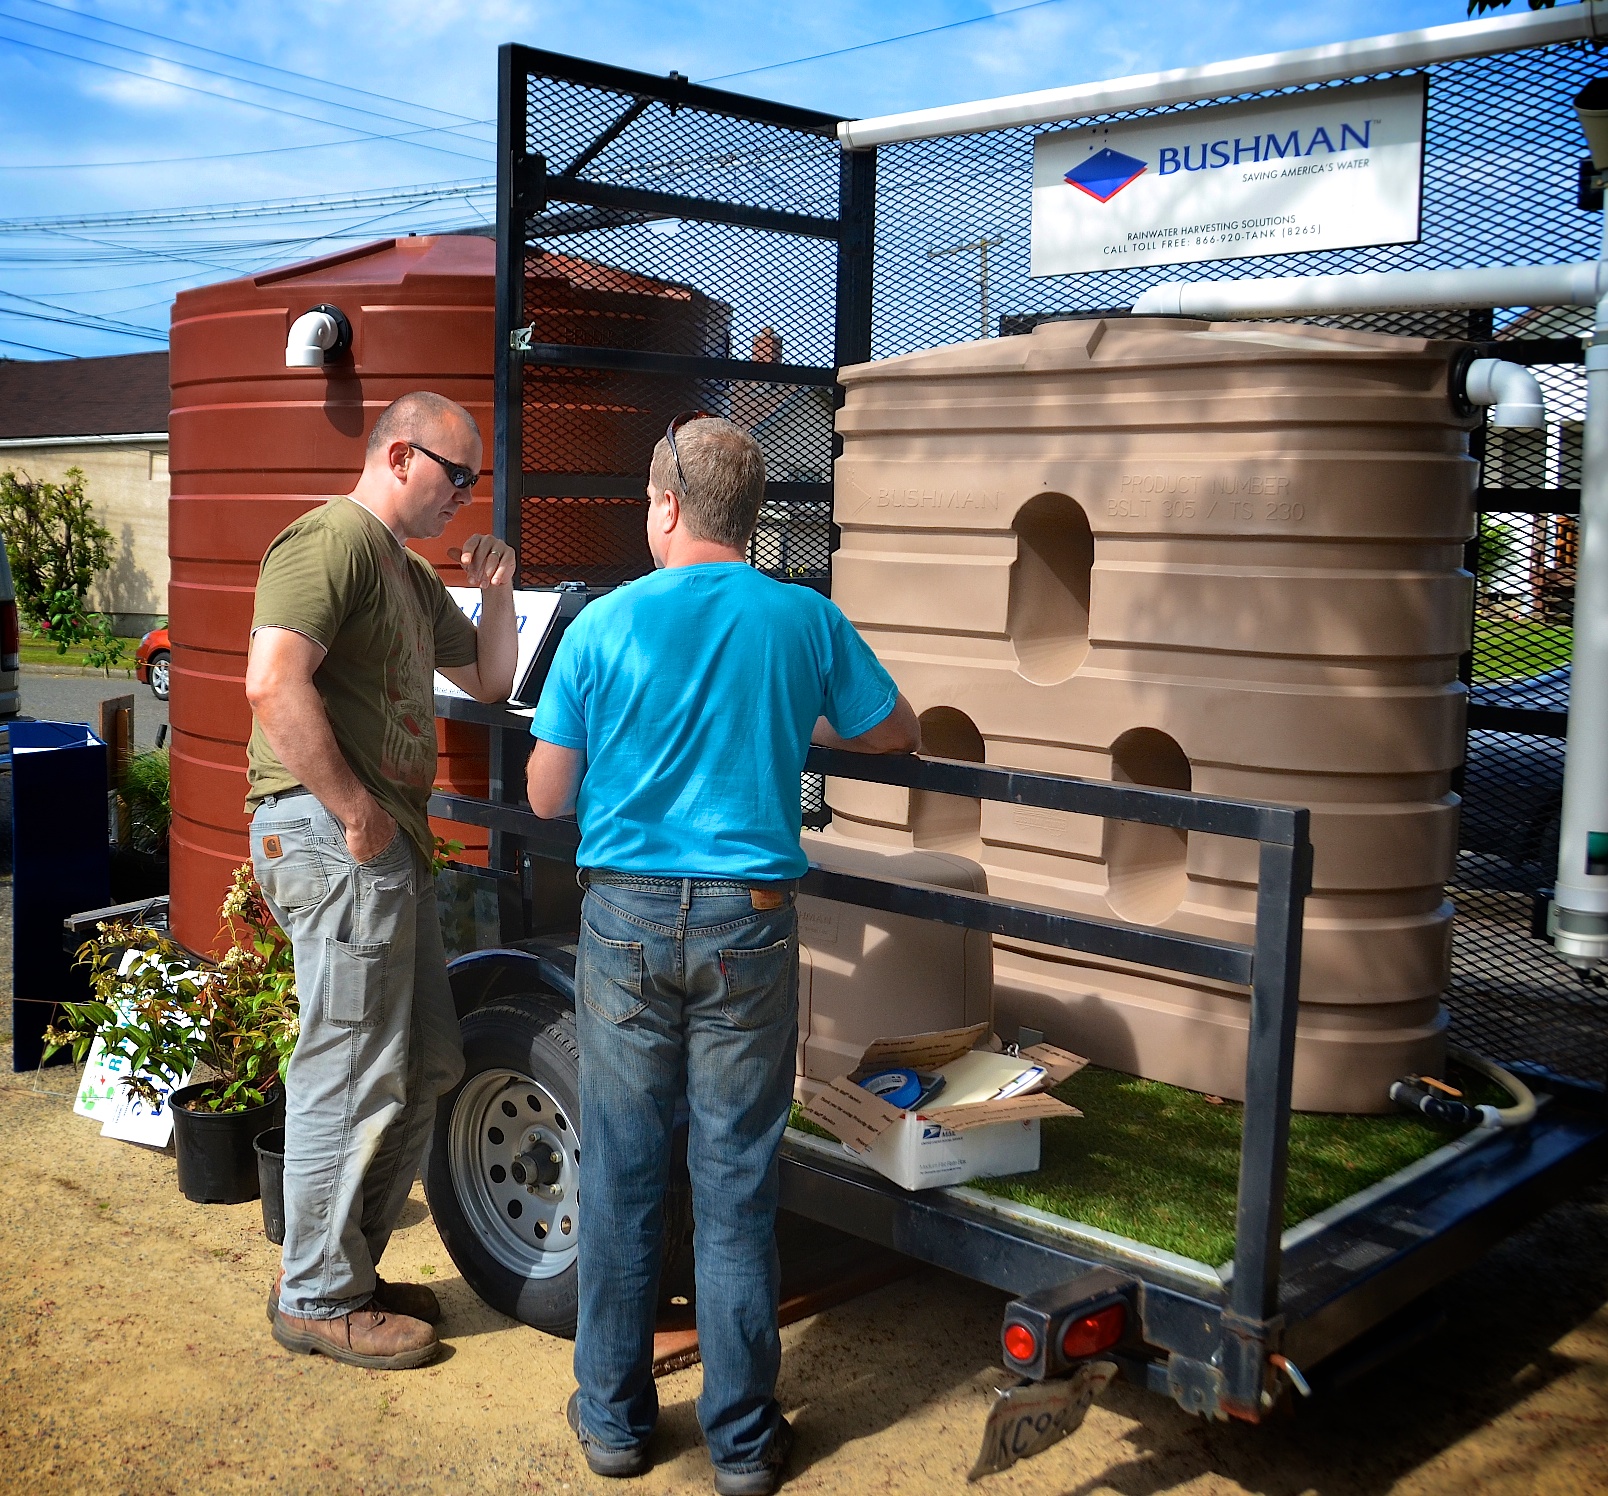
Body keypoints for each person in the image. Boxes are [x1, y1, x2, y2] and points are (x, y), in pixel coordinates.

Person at [526, 414, 920, 1494]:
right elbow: (896, 731)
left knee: (623, 1167)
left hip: (624, 916)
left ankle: (615, 1422)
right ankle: (743, 1441)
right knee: (736, 1176)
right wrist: (796, 718)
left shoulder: (603, 623)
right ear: (748, 515)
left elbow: (548, 795)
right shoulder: (803, 618)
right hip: (751, 920)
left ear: (665, 505)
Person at [245, 390, 518, 1371]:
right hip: (336, 837)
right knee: (350, 1068)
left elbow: (490, 679)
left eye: (474, 481)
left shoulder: (404, 570)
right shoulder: (335, 541)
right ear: (401, 455)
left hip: (381, 846)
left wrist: (495, 589)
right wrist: (356, 812)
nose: (465, 495)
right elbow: (271, 679)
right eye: (457, 474)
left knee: (426, 1065)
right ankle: (318, 1294)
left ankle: (341, 1271)